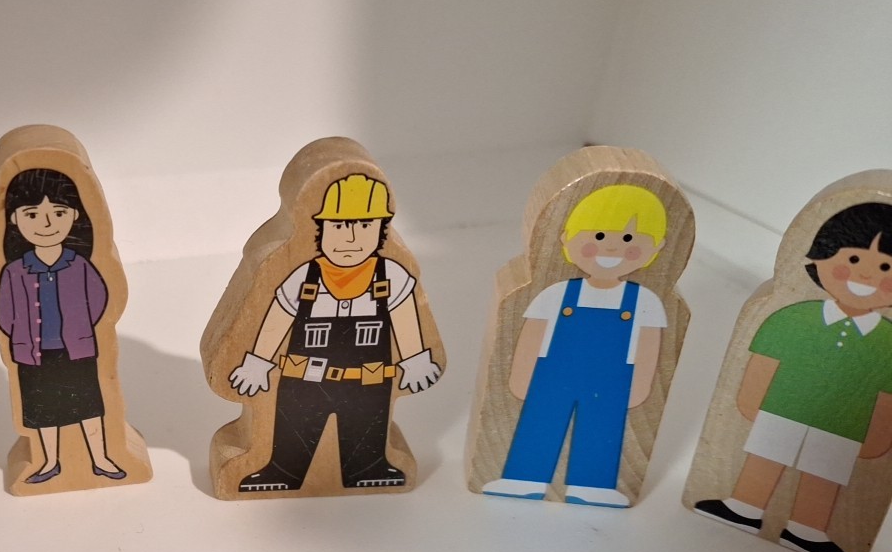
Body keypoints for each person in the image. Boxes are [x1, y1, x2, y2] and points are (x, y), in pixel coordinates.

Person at [694, 203, 892, 552]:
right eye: (853, 259)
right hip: (780, 409)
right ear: (819, 259)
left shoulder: (887, 343)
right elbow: (764, 361)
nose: (865, 275)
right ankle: (743, 507)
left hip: (844, 426)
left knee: (824, 474)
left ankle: (808, 531)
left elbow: (886, 395)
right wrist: (750, 401)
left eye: (885, 268)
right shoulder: (792, 317)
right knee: (765, 457)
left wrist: (879, 438)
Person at [227, 173, 441, 491]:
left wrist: (415, 360)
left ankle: (368, 469)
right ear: (321, 229)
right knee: (294, 430)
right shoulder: (304, 276)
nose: (351, 239)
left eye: (365, 225)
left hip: (368, 382)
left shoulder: (390, 277)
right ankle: (283, 471)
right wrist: (257, 362)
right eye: (339, 226)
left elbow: (405, 318)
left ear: (382, 230)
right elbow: (278, 317)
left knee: (365, 430)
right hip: (305, 381)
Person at [482, 184, 670, 507]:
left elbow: (648, 349)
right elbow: (532, 336)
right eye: (599, 236)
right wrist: (521, 375)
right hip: (551, 376)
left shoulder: (645, 302)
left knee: (602, 429)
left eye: (629, 239)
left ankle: (592, 485)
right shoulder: (556, 294)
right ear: (566, 238)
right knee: (540, 421)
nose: (611, 248)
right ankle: (523, 478)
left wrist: (640, 386)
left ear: (658, 247)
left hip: (611, 381)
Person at [0, 168, 124, 483]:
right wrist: (22, 336)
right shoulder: (14, 271)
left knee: (88, 405)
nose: (47, 223)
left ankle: (100, 458)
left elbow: (100, 300)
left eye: (59, 212)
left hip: (76, 349)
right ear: (14, 219)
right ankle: (49, 461)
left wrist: (79, 328)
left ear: (75, 214)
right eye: (32, 214)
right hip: (33, 354)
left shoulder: (79, 265)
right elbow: (4, 313)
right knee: (43, 409)